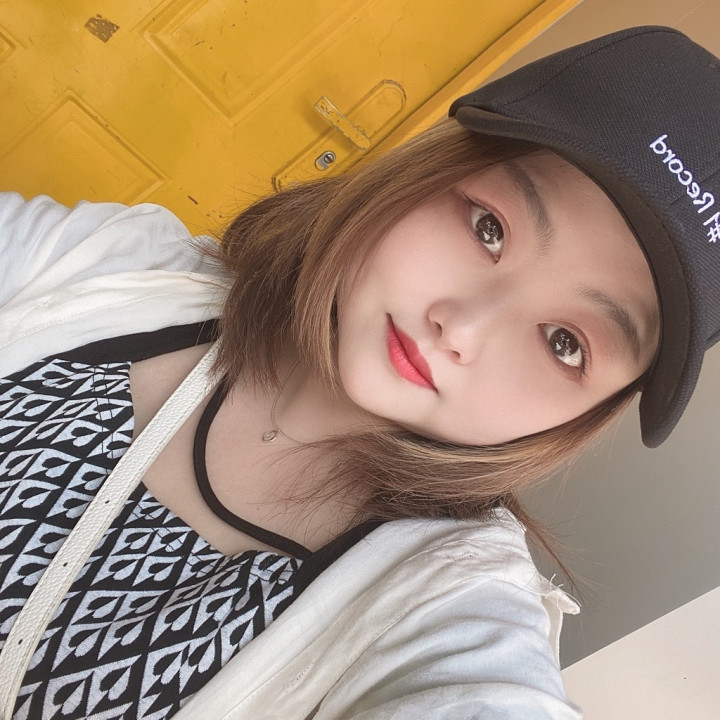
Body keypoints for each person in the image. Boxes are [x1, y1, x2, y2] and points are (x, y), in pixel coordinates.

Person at [0, 24, 718, 720]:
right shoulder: (110, 267)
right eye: (489, 228)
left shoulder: (445, 599)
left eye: (565, 342)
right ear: (425, 175)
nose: (463, 329)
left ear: (594, 408)